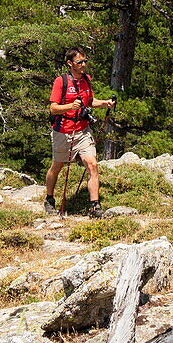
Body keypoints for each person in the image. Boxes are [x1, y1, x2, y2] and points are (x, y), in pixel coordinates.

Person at [44, 47, 115, 218]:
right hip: (63, 130)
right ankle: (49, 199)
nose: (83, 65)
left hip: (83, 130)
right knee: (57, 166)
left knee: (92, 164)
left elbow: (89, 101)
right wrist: (70, 106)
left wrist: (105, 103)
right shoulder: (61, 82)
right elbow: (53, 109)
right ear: (70, 64)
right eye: (79, 62)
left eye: (85, 61)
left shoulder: (86, 80)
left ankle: (94, 206)